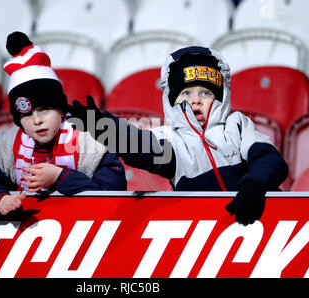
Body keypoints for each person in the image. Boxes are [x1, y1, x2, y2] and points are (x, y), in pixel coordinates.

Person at [68, 46, 289, 226]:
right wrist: (103, 127)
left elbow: (270, 159)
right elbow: (140, 148)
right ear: (171, 100)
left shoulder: (237, 124)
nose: (195, 100)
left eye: (205, 92)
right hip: (207, 231)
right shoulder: (171, 140)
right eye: (186, 93)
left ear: (220, 97)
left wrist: (255, 184)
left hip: (263, 222)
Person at [0, 32, 127, 217]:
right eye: (27, 115)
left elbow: (113, 196)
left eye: (44, 109)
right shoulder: (6, 148)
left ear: (62, 110)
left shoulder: (93, 141)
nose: (37, 120)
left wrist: (60, 176)